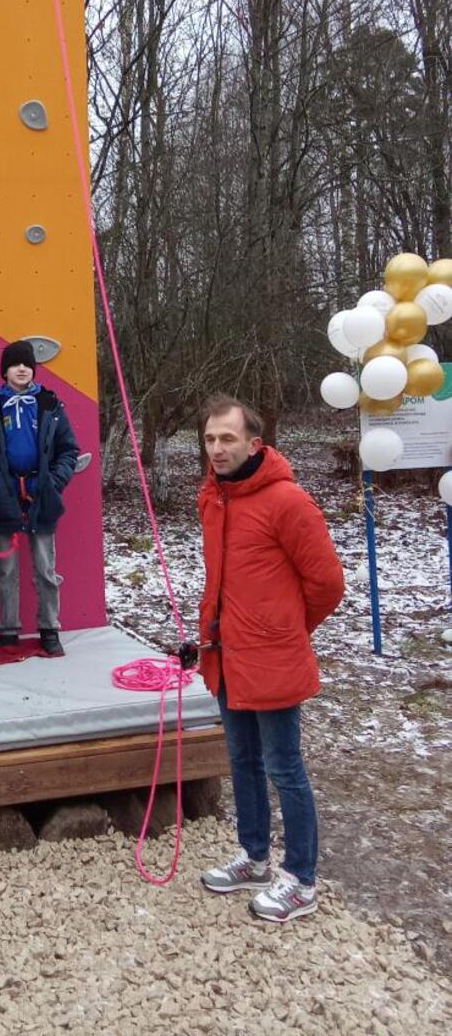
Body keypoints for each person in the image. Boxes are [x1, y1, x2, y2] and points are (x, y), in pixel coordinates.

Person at [196, 394, 345, 922]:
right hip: (225, 656)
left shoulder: (288, 501)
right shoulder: (213, 498)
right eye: (210, 439)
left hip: (272, 658)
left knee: (285, 767)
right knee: (242, 761)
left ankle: (301, 880)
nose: (217, 448)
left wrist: (283, 632)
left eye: (228, 438)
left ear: (254, 443)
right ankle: (255, 857)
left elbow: (327, 583)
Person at [0, 340, 79, 656]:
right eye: (15, 364)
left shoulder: (50, 405)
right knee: (6, 570)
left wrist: (53, 482)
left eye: (27, 364)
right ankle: (8, 630)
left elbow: (69, 450)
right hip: (4, 497)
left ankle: (49, 628)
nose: (22, 369)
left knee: (45, 568)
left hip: (42, 496)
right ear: (5, 371)